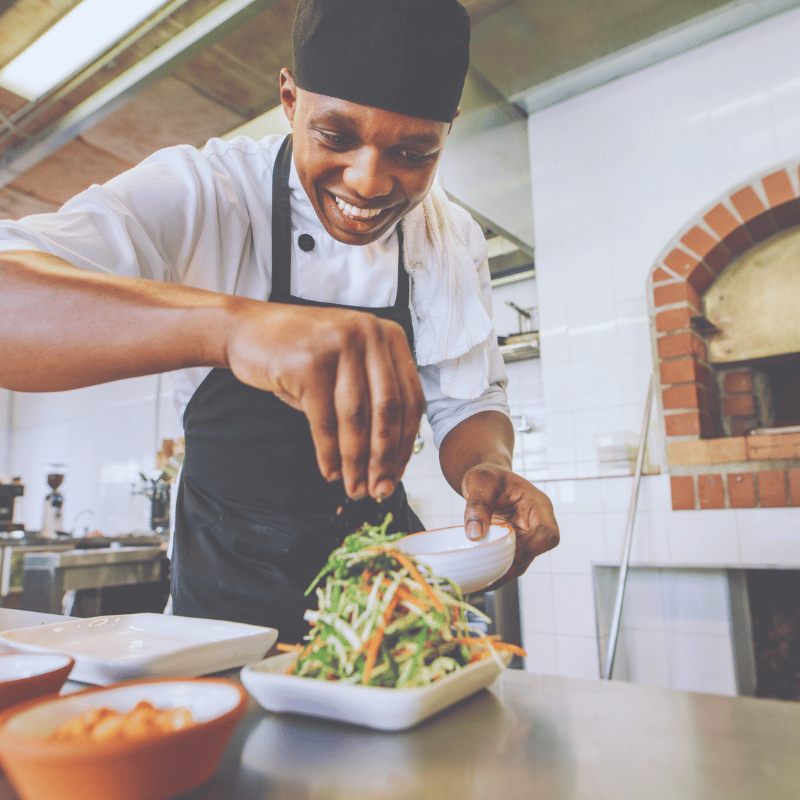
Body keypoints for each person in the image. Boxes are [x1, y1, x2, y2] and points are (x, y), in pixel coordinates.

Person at [0, 0, 558, 641]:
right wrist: (232, 329)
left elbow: (467, 401)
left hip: (384, 593)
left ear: (448, 131)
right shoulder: (207, 192)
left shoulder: (449, 235)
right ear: (291, 100)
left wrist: (486, 465)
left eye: (412, 152)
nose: (370, 182)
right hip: (226, 589)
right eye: (336, 137)